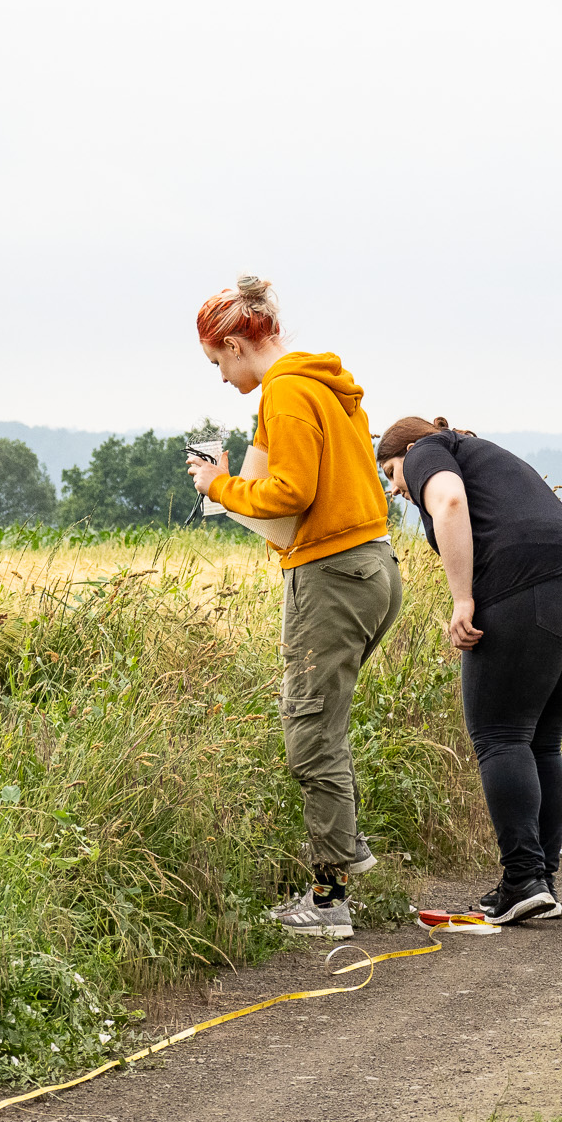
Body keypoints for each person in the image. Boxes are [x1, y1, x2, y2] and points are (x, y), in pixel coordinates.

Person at [185, 277, 401, 940]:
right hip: (373, 565)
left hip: (331, 574)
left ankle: (330, 901)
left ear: (233, 344)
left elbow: (289, 492)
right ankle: (347, 853)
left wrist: (218, 484)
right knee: (324, 725)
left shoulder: (284, 391)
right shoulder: (325, 387)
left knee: (308, 735)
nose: (222, 378)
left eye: (218, 363)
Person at [377, 416, 562, 924]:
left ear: (409, 449)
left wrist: (462, 598)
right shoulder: (484, 454)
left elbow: (448, 503)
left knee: (500, 735)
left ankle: (523, 878)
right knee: (540, 741)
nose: (397, 488)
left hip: (528, 586)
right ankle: (538, 884)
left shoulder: (429, 450)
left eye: (392, 472)